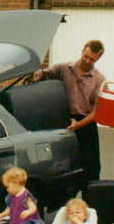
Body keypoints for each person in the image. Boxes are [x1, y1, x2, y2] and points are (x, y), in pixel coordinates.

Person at [31, 40, 106, 182]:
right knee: (61, 165)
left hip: (85, 125)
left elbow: (98, 111)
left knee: (91, 167)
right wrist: (36, 74)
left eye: (92, 59)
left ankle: (89, 200)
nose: (87, 61)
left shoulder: (99, 80)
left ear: (98, 59)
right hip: (64, 122)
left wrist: (78, 125)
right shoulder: (64, 68)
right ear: (83, 50)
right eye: (86, 56)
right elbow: (44, 75)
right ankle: (61, 201)